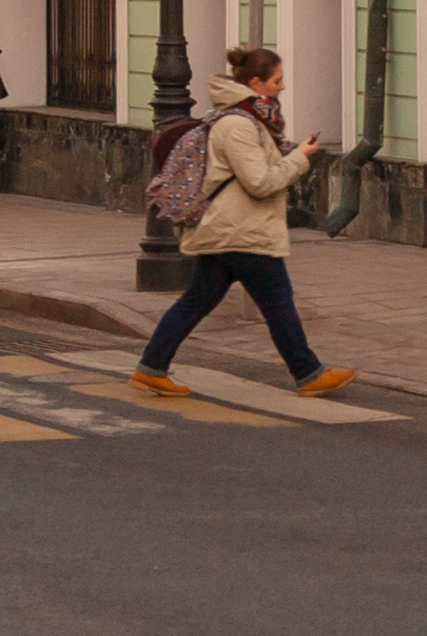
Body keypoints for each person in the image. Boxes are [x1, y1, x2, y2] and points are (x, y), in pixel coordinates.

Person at [129, 46, 362, 399]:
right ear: (256, 83)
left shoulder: (249, 119)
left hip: (229, 229)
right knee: (278, 302)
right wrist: (299, 158)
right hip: (240, 229)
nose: (282, 87)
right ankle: (308, 373)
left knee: (197, 301)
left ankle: (151, 367)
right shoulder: (237, 124)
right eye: (277, 81)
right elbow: (260, 182)